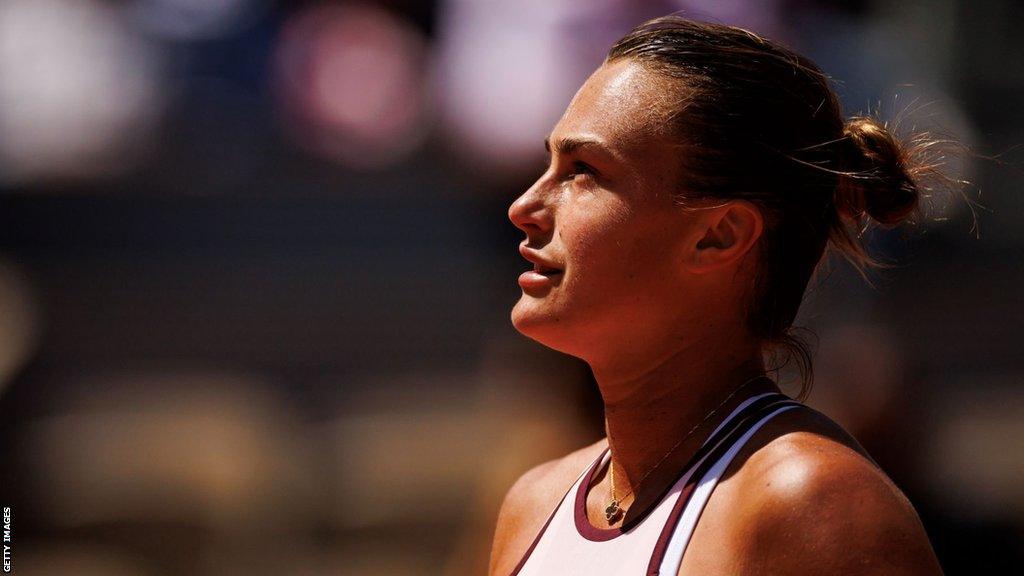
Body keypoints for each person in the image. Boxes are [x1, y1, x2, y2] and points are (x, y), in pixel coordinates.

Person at [490, 15, 947, 576]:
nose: (525, 207)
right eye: (549, 165)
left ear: (719, 235)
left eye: (583, 171)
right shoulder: (533, 504)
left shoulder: (811, 505)